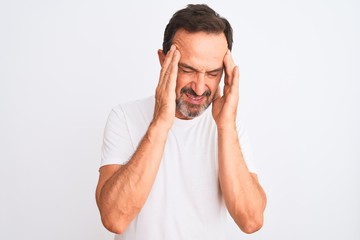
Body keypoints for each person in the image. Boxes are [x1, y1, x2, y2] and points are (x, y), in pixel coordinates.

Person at [96, 4, 266, 240]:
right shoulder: (124, 117)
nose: (199, 87)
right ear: (163, 60)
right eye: (187, 69)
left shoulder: (229, 127)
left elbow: (251, 220)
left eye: (213, 73)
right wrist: (161, 122)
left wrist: (226, 126)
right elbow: (114, 218)